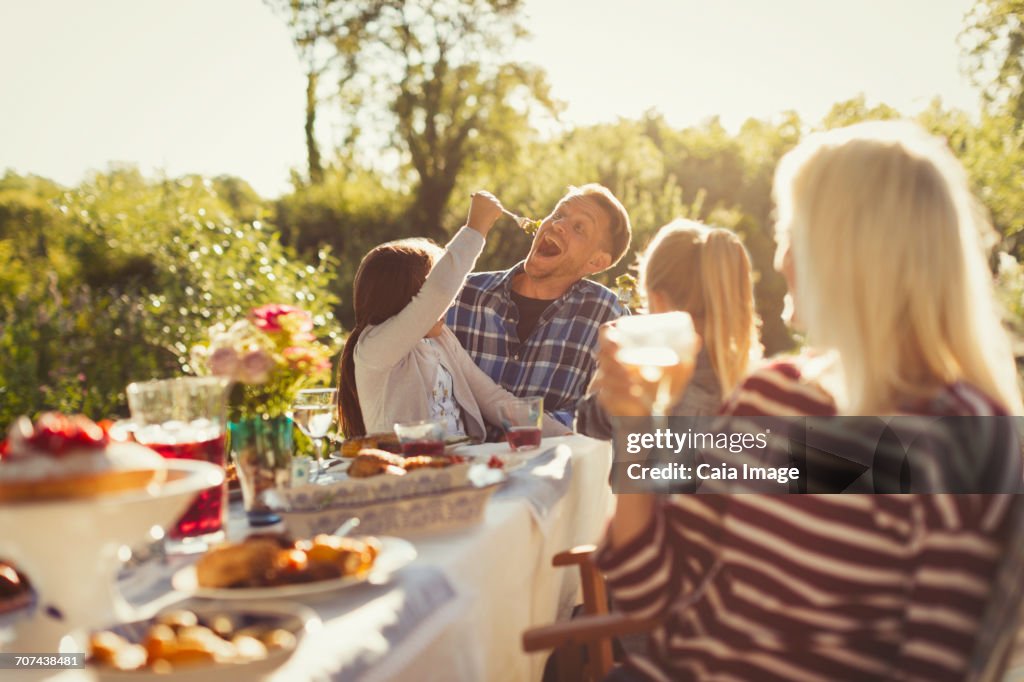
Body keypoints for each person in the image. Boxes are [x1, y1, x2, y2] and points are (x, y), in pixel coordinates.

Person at [591, 122, 1024, 681]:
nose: (780, 259)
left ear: (854, 249)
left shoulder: (959, 445)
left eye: (792, 231)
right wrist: (634, 431)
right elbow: (649, 589)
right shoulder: (771, 398)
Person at [337, 192, 570, 441]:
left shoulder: (442, 340)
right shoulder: (374, 347)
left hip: (462, 463)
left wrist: (568, 436)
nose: (449, 303)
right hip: (411, 471)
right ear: (404, 296)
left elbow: (494, 399)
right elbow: (438, 292)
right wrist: (475, 229)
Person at [446, 184, 632, 433]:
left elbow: (603, 415)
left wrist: (529, 433)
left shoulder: (609, 317)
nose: (558, 224)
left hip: (547, 467)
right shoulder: (461, 294)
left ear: (596, 262)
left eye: (579, 227)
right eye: (558, 214)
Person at [576, 220, 761, 439]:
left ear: (660, 302)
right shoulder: (754, 384)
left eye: (646, 302)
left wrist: (608, 366)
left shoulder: (649, 382)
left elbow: (588, 426)